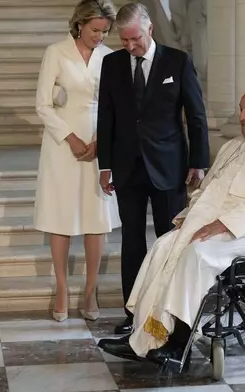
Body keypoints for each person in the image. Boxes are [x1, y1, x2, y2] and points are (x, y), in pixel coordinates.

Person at [97, 87, 245, 366]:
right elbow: (206, 191)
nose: (242, 116)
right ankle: (144, 335)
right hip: (217, 225)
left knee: (195, 255)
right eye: (241, 109)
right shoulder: (232, 146)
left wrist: (222, 224)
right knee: (164, 245)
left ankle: (178, 346)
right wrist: (190, 216)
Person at [96, 2, 210, 335]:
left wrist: (199, 162)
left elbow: (197, 116)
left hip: (169, 168)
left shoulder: (178, 61)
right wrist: (105, 165)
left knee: (169, 240)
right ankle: (133, 313)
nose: (130, 46)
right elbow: (106, 118)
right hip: (127, 167)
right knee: (132, 243)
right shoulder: (112, 64)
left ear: (150, 30)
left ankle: (168, 312)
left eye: (135, 39)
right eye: (124, 40)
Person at [34, 0, 120, 322]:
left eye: (105, 32)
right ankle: (61, 287)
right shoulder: (56, 52)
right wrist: (69, 137)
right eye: (96, 30)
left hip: (99, 141)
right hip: (61, 144)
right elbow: (42, 104)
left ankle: (90, 289)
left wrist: (101, 142)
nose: (100, 36)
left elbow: (115, 105)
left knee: (95, 216)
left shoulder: (110, 57)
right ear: (80, 24)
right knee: (61, 215)